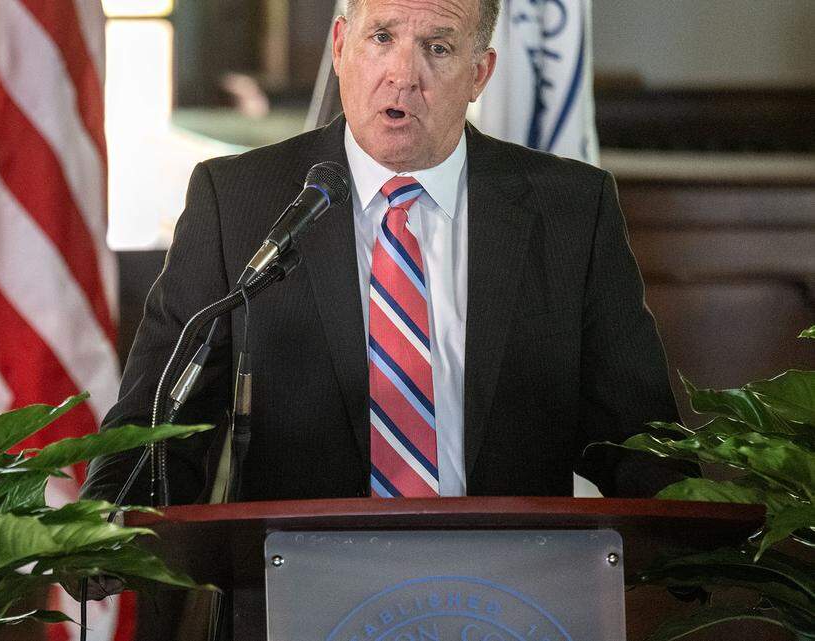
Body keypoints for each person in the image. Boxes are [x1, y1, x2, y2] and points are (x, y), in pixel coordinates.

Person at [83, 0, 685, 508]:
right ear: (342, 46)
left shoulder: (572, 210)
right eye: (382, 37)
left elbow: (636, 437)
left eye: (439, 48)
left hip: (507, 589)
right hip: (298, 581)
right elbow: (160, 418)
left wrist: (696, 539)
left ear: (481, 74)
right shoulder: (239, 201)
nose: (404, 74)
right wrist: (108, 524)